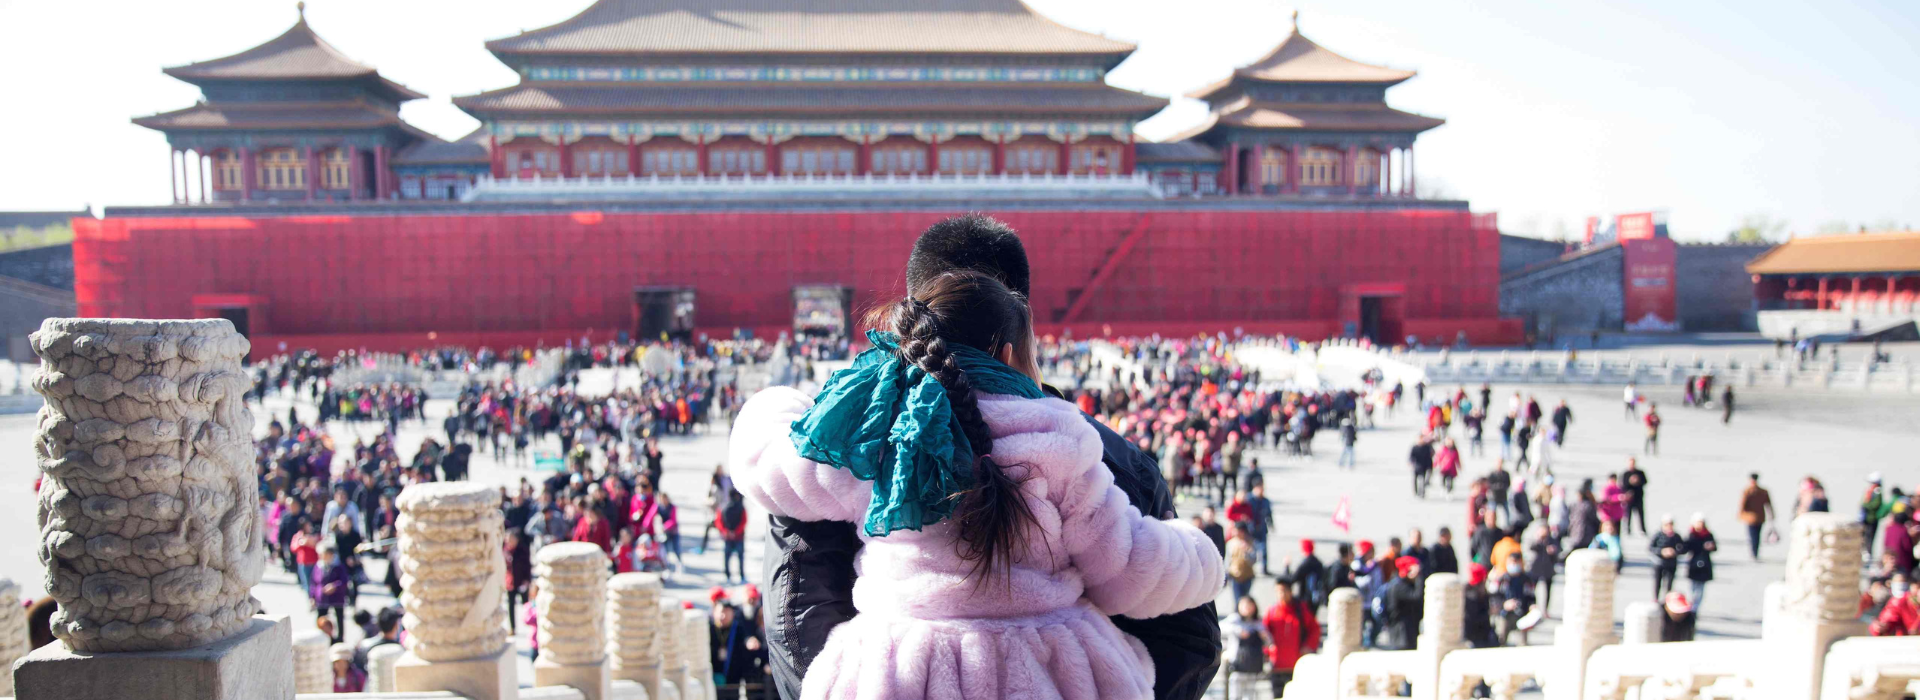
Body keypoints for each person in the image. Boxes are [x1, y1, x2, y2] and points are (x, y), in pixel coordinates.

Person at [731, 268, 1224, 699]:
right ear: (1009, 352)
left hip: (899, 674)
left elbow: (768, 467)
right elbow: (1129, 569)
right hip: (1050, 674)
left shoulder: (880, 428)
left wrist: (783, 405)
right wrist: (1203, 553)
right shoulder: (1059, 437)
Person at [1262, 583, 1319, 697]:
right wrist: (1268, 652)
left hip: (1296, 663)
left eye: (1284, 591)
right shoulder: (1272, 612)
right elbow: (1264, 634)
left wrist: (1308, 646)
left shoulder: (1301, 610)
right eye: (1278, 591)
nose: (1281, 594)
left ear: (1290, 592)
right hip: (1277, 665)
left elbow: (1315, 629)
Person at [1224, 597, 1268, 700]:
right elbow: (1221, 627)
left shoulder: (1258, 622)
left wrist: (1263, 635)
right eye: (1244, 605)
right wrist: (1238, 631)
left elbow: (1269, 640)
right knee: (1235, 695)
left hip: (1252, 664)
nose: (1247, 608)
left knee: (1250, 696)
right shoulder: (1235, 619)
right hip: (1237, 664)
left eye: (1249, 605)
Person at [1381, 557, 1424, 650]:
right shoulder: (1399, 585)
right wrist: (1418, 578)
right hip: (1401, 632)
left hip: (1408, 629)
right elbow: (1416, 596)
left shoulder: (1403, 583)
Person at [311, 544, 352, 643]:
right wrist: (312, 596)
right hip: (322, 597)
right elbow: (313, 582)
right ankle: (320, 637)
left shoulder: (338, 566)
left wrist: (334, 586)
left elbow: (344, 581)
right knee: (321, 618)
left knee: (339, 620)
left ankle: (339, 639)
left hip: (336, 597)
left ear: (330, 554)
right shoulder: (318, 566)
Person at [1494, 552, 1535, 646]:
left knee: (1522, 643)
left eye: (1516, 562)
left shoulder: (1526, 580)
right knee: (1501, 640)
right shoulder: (1502, 579)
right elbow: (1495, 597)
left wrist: (1532, 606)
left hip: (1522, 614)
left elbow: (1531, 596)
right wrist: (1504, 604)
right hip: (1505, 614)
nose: (1514, 564)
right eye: (1511, 562)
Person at [1683, 513, 1718, 611]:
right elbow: (1685, 548)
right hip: (1693, 564)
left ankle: (1695, 608)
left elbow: (1715, 548)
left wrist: (1711, 547)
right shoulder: (1691, 535)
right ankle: (1691, 605)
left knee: (1701, 589)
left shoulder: (1708, 535)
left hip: (1705, 564)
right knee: (1692, 587)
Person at [1738, 473, 1776, 561]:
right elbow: (1768, 505)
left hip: (1752, 517)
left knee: (1753, 536)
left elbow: (1742, 504)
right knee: (1756, 536)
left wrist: (1740, 515)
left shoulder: (1748, 491)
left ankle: (1754, 552)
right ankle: (1755, 552)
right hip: (1758, 517)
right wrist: (1771, 515)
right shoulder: (1762, 491)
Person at [1462, 564, 1498, 648]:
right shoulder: (1471, 595)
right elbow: (1473, 618)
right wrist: (1489, 612)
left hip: (1483, 632)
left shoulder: (1478, 592)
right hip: (1475, 635)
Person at [717, 488, 747, 583]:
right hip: (738, 537)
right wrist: (736, 532)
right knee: (740, 557)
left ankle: (728, 575)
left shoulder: (723, 507)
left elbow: (718, 521)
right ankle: (741, 576)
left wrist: (726, 532)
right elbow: (744, 521)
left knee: (728, 557)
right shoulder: (741, 507)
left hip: (728, 537)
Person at [1650, 514, 1684, 599]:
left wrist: (1674, 552)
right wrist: (1661, 552)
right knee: (1658, 582)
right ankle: (1656, 599)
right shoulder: (1658, 535)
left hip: (1671, 563)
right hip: (1659, 563)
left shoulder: (1676, 536)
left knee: (1669, 584)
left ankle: (1667, 600)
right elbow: (1651, 548)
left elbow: (1683, 548)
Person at [1226, 523, 1258, 602]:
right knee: (1237, 600)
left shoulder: (1251, 542)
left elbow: (1254, 560)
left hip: (1247, 576)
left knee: (1245, 598)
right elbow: (1227, 560)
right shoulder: (1231, 543)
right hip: (1235, 576)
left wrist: (1247, 552)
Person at [1247, 485, 1275, 575]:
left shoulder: (1265, 501)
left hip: (1262, 528)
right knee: (1251, 550)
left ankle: (1264, 568)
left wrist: (1271, 524)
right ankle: (1249, 569)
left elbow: (1269, 514)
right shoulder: (1249, 500)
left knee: (1263, 549)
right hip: (1251, 529)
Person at [1862, 473, 1889, 557]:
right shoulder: (1870, 491)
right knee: (1865, 536)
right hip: (1867, 518)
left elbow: (1875, 504)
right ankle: (1866, 552)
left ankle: (1869, 553)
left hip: (1872, 518)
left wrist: (1866, 505)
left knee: (1870, 536)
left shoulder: (1877, 491)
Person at [1622, 459, 1649, 536]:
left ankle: (1642, 529)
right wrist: (1630, 481)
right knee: (1628, 514)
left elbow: (1645, 482)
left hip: (1639, 497)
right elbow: (1623, 485)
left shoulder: (1640, 472)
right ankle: (1627, 529)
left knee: (1640, 514)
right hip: (1629, 498)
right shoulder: (1626, 473)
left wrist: (1638, 480)